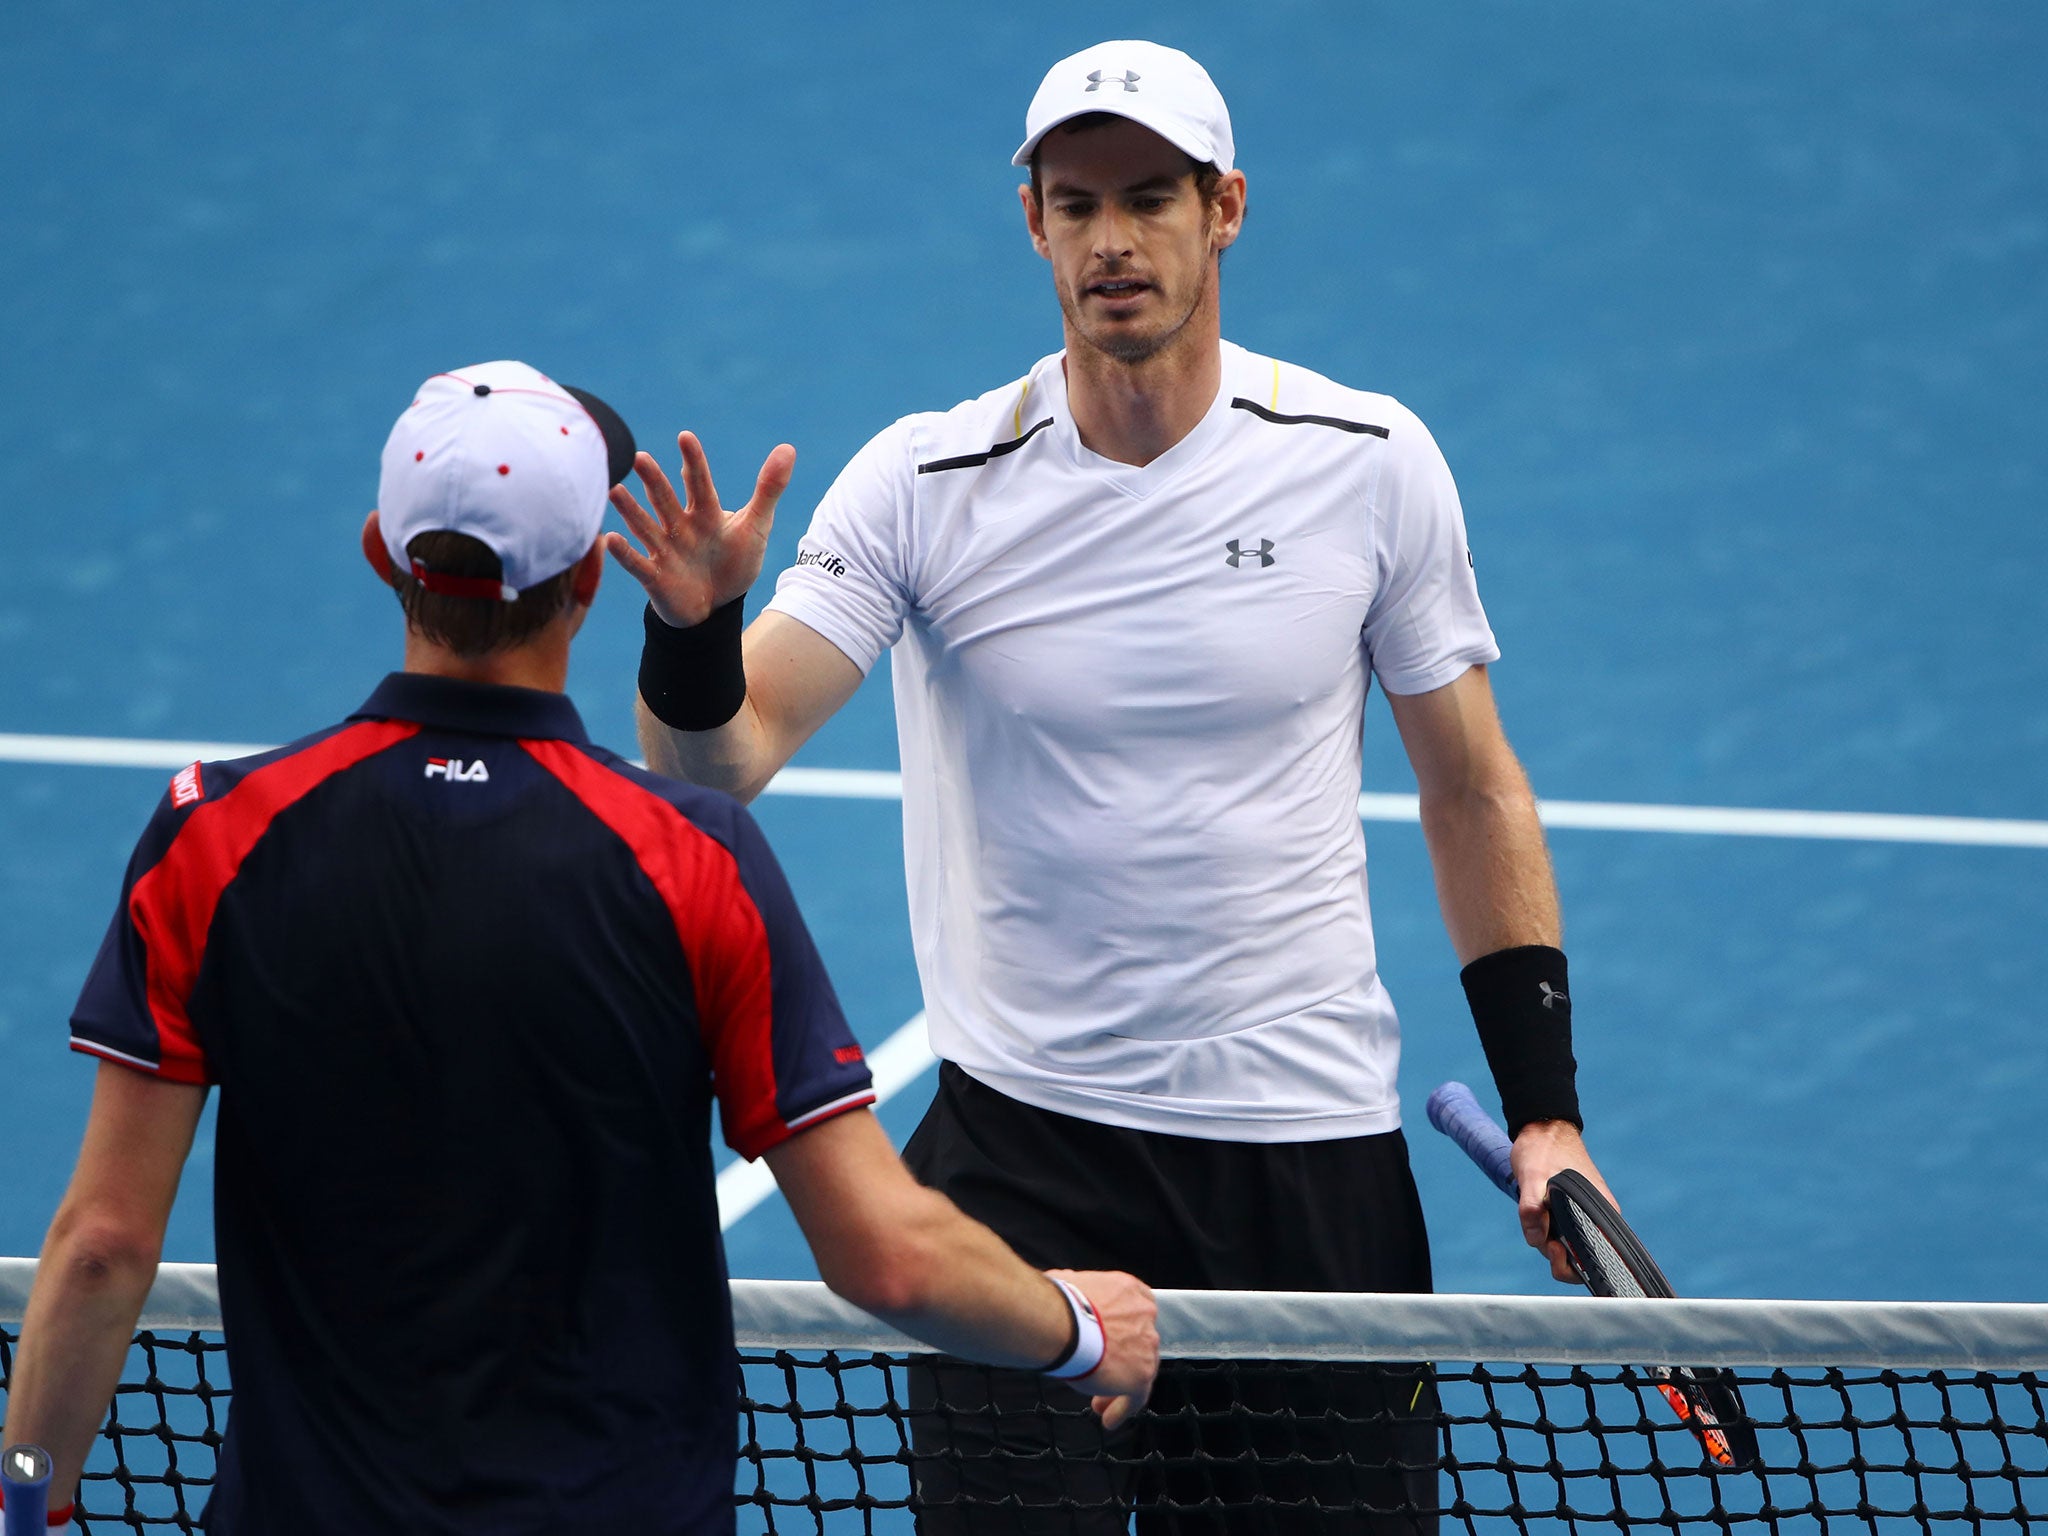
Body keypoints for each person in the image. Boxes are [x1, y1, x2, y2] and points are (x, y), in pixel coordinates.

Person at [610, 38, 1615, 1533]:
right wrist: (689, 631)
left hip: (1308, 1177)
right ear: (1032, 223)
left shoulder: (1369, 461)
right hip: (1021, 1169)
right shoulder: (923, 482)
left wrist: (1547, 1108)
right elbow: (717, 763)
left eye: (1149, 198)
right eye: (1074, 204)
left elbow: (1469, 788)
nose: (1112, 240)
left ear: (1227, 209)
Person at [0, 361, 1157, 1536]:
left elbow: (101, 1246)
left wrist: (23, 1500)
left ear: (378, 553)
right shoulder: (688, 858)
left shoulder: (213, 835)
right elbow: (887, 1259)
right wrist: (1076, 1330)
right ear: (590, 583)